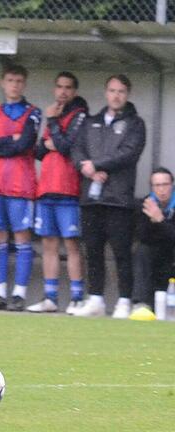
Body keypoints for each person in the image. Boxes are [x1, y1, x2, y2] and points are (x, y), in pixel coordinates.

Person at [71, 74, 146, 319]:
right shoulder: (90, 122)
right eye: (112, 90)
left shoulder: (135, 124)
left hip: (118, 199)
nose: (116, 95)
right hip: (91, 199)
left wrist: (98, 165)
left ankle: (124, 300)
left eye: (121, 91)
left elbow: (129, 153)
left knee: (121, 252)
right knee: (92, 251)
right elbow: (76, 148)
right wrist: (85, 167)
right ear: (106, 92)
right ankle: (96, 299)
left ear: (128, 94)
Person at [0, 64, 41, 312]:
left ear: (24, 84)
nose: (14, 85)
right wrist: (7, 141)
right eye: (10, 80)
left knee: (23, 237)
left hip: (21, 185)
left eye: (18, 81)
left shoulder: (32, 113)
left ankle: (19, 294)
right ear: (3, 82)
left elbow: (24, 144)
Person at [27, 72, 88, 314]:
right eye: (59, 87)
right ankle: (50, 298)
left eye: (68, 88)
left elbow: (65, 146)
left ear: (74, 91)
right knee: (48, 245)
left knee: (71, 245)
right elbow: (40, 150)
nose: (63, 92)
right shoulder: (54, 113)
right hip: (46, 189)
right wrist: (51, 134)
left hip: (69, 189)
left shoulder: (80, 114)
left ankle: (76, 298)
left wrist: (52, 123)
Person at [129, 168, 175, 318]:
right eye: (157, 185)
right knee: (142, 250)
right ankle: (141, 303)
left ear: (172, 185)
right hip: (157, 254)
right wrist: (157, 223)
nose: (162, 190)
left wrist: (160, 220)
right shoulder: (146, 204)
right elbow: (143, 236)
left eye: (165, 184)